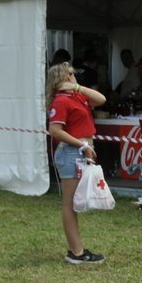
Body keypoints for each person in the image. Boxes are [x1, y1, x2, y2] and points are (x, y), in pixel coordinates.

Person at [45, 62, 108, 265]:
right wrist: (81, 145)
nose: (74, 78)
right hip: (71, 153)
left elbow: (101, 99)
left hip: (80, 151)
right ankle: (76, 252)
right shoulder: (61, 101)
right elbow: (55, 130)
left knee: (75, 202)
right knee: (70, 204)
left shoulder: (77, 96)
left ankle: (77, 249)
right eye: (70, 75)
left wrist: (78, 88)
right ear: (61, 79)